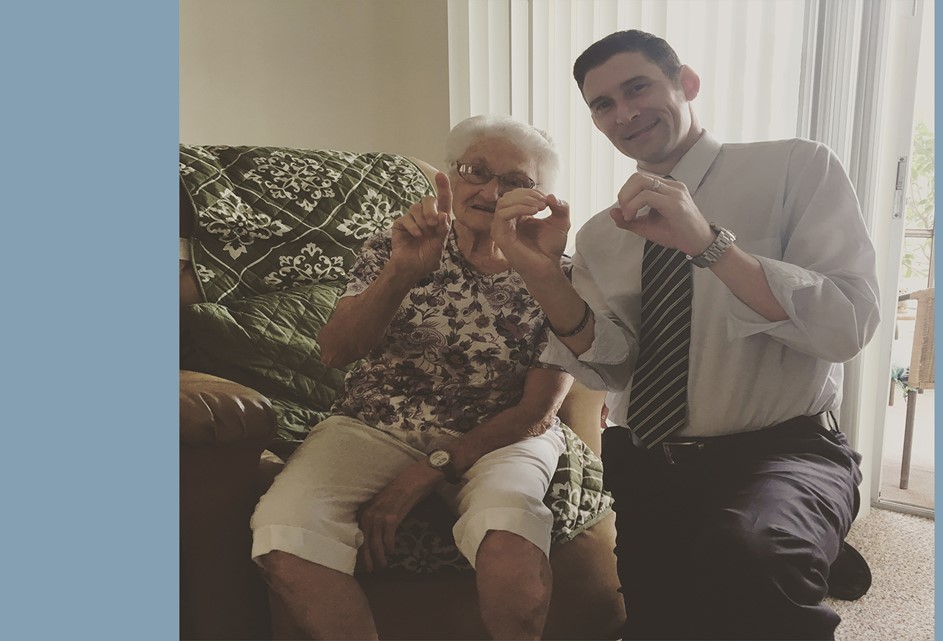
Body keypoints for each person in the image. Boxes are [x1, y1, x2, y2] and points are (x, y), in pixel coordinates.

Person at [490, 30, 880, 640]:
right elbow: (612, 366)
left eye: (637, 87)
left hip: (781, 450)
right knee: (662, 621)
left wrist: (710, 245)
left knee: (753, 558)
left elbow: (846, 325)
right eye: (603, 104)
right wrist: (543, 276)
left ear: (686, 83)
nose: (625, 113)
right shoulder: (602, 234)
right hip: (650, 463)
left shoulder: (795, 168)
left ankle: (792, 533)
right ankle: (789, 539)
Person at [250, 115, 575, 641]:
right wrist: (403, 272)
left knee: (510, 536)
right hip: (375, 421)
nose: (490, 191)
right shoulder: (395, 245)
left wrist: (429, 470)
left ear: (540, 197)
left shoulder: (558, 271)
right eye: (476, 171)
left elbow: (538, 411)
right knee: (284, 533)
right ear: (451, 174)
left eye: (515, 181)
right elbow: (336, 352)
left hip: (502, 434)